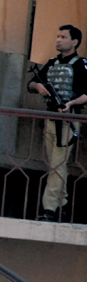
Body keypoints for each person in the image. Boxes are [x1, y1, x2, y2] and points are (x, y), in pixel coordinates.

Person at [27, 24, 87, 222]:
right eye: (58, 36)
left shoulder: (80, 64)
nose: (58, 40)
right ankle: (62, 204)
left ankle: (50, 208)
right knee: (55, 164)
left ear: (74, 42)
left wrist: (70, 103)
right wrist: (39, 88)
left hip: (68, 120)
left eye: (63, 37)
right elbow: (31, 84)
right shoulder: (52, 63)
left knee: (57, 164)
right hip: (51, 118)